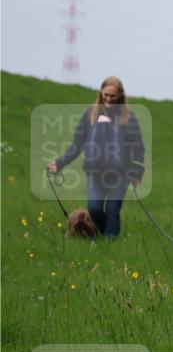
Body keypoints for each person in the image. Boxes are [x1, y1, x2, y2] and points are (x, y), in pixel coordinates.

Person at [48, 76, 145, 239]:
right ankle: (100, 237)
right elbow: (77, 145)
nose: (108, 99)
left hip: (120, 174)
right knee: (94, 209)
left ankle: (109, 242)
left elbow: (139, 148)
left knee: (113, 210)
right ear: (101, 93)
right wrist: (59, 163)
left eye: (112, 96)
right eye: (105, 94)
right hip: (95, 172)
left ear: (120, 95)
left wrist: (136, 173)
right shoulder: (90, 114)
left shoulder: (129, 117)